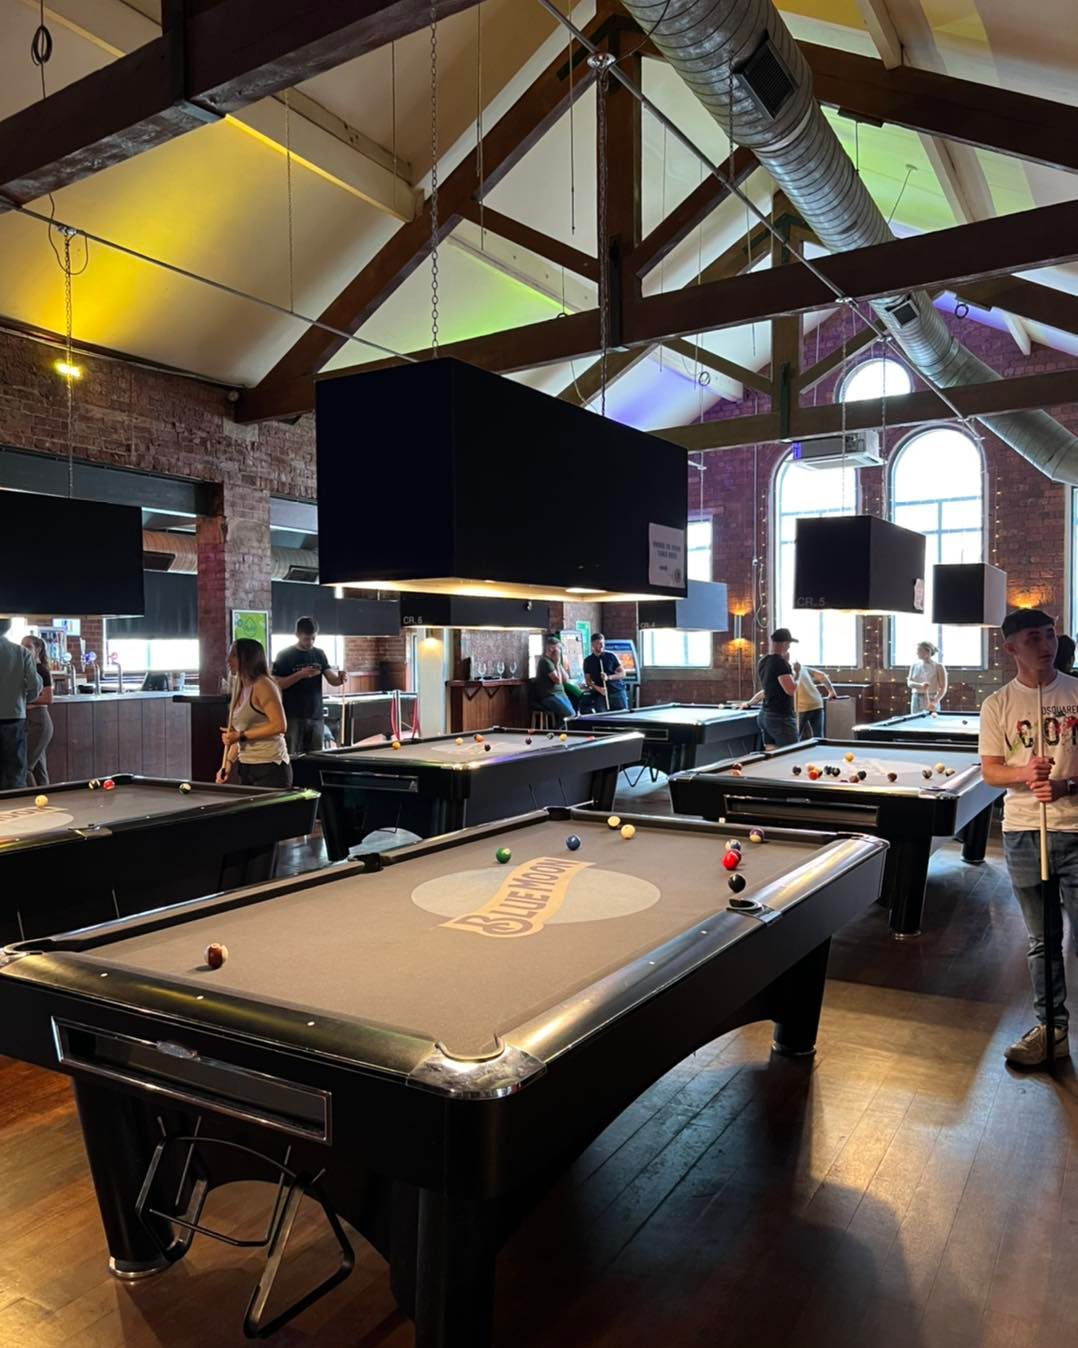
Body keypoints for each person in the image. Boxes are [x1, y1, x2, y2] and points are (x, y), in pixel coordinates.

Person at [980, 609, 1078, 1068]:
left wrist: (1065, 786)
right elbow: (990, 771)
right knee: (1042, 940)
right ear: (1011, 648)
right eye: (1034, 638)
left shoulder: (1076, 692)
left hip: (1075, 829)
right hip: (1023, 833)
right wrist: (1023, 773)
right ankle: (1052, 1031)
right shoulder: (997, 704)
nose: (1046, 645)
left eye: (1051, 635)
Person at [219, 638, 292, 788]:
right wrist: (228, 762)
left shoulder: (263, 685)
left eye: (234, 655)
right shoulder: (238, 684)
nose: (228, 660)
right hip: (246, 765)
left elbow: (279, 725)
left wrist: (240, 735)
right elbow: (239, 733)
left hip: (270, 765)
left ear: (247, 658)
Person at [272, 617, 347, 757]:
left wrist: (340, 679)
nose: (310, 642)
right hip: (292, 715)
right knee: (291, 755)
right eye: (306, 639)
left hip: (316, 715)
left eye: (313, 638)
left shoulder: (319, 654)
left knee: (316, 757)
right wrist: (300, 674)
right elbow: (278, 684)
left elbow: (332, 679)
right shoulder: (284, 655)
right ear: (297, 635)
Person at [0, 619, 42, 790]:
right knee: (15, 774)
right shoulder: (21, 652)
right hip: (14, 717)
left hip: (14, 716)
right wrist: (24, 701)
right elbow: (35, 685)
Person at [756, 628, 799, 748]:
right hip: (779, 717)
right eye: (789, 644)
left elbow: (773, 686)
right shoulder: (780, 663)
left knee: (772, 752)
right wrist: (797, 673)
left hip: (765, 714)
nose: (789, 647)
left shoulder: (763, 661)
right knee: (792, 752)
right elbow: (791, 690)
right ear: (784, 643)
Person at [21, 634, 53, 787]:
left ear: (38, 649)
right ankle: (43, 795)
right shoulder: (27, 669)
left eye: (28, 646)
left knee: (25, 766)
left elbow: (48, 698)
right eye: (22, 646)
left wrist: (23, 699)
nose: (24, 649)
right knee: (39, 769)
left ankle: (31, 796)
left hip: (39, 721)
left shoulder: (40, 670)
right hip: (30, 721)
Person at [581, 633, 629, 714]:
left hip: (617, 692)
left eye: (603, 643)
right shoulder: (588, 661)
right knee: (603, 718)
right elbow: (588, 681)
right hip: (600, 695)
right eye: (599, 643)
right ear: (593, 644)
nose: (602, 645)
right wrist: (598, 689)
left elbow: (623, 673)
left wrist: (608, 677)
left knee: (621, 716)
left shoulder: (611, 656)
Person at [533, 635, 575, 724]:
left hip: (561, 694)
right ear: (551, 648)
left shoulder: (555, 661)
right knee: (570, 714)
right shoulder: (545, 662)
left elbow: (566, 679)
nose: (560, 651)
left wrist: (558, 664)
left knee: (574, 715)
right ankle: (557, 731)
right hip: (549, 696)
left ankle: (562, 730)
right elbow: (557, 681)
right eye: (559, 648)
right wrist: (556, 664)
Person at [795, 661, 837, 740]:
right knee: (818, 737)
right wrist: (832, 692)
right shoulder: (802, 668)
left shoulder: (786, 671)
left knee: (795, 737)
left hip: (801, 707)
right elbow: (822, 675)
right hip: (817, 703)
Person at [907, 640, 948, 713]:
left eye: (919, 650)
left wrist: (935, 701)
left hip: (931, 697)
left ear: (927, 651)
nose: (917, 653)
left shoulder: (938, 666)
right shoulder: (914, 666)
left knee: (931, 719)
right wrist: (920, 685)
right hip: (916, 697)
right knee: (915, 719)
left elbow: (943, 688)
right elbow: (909, 683)